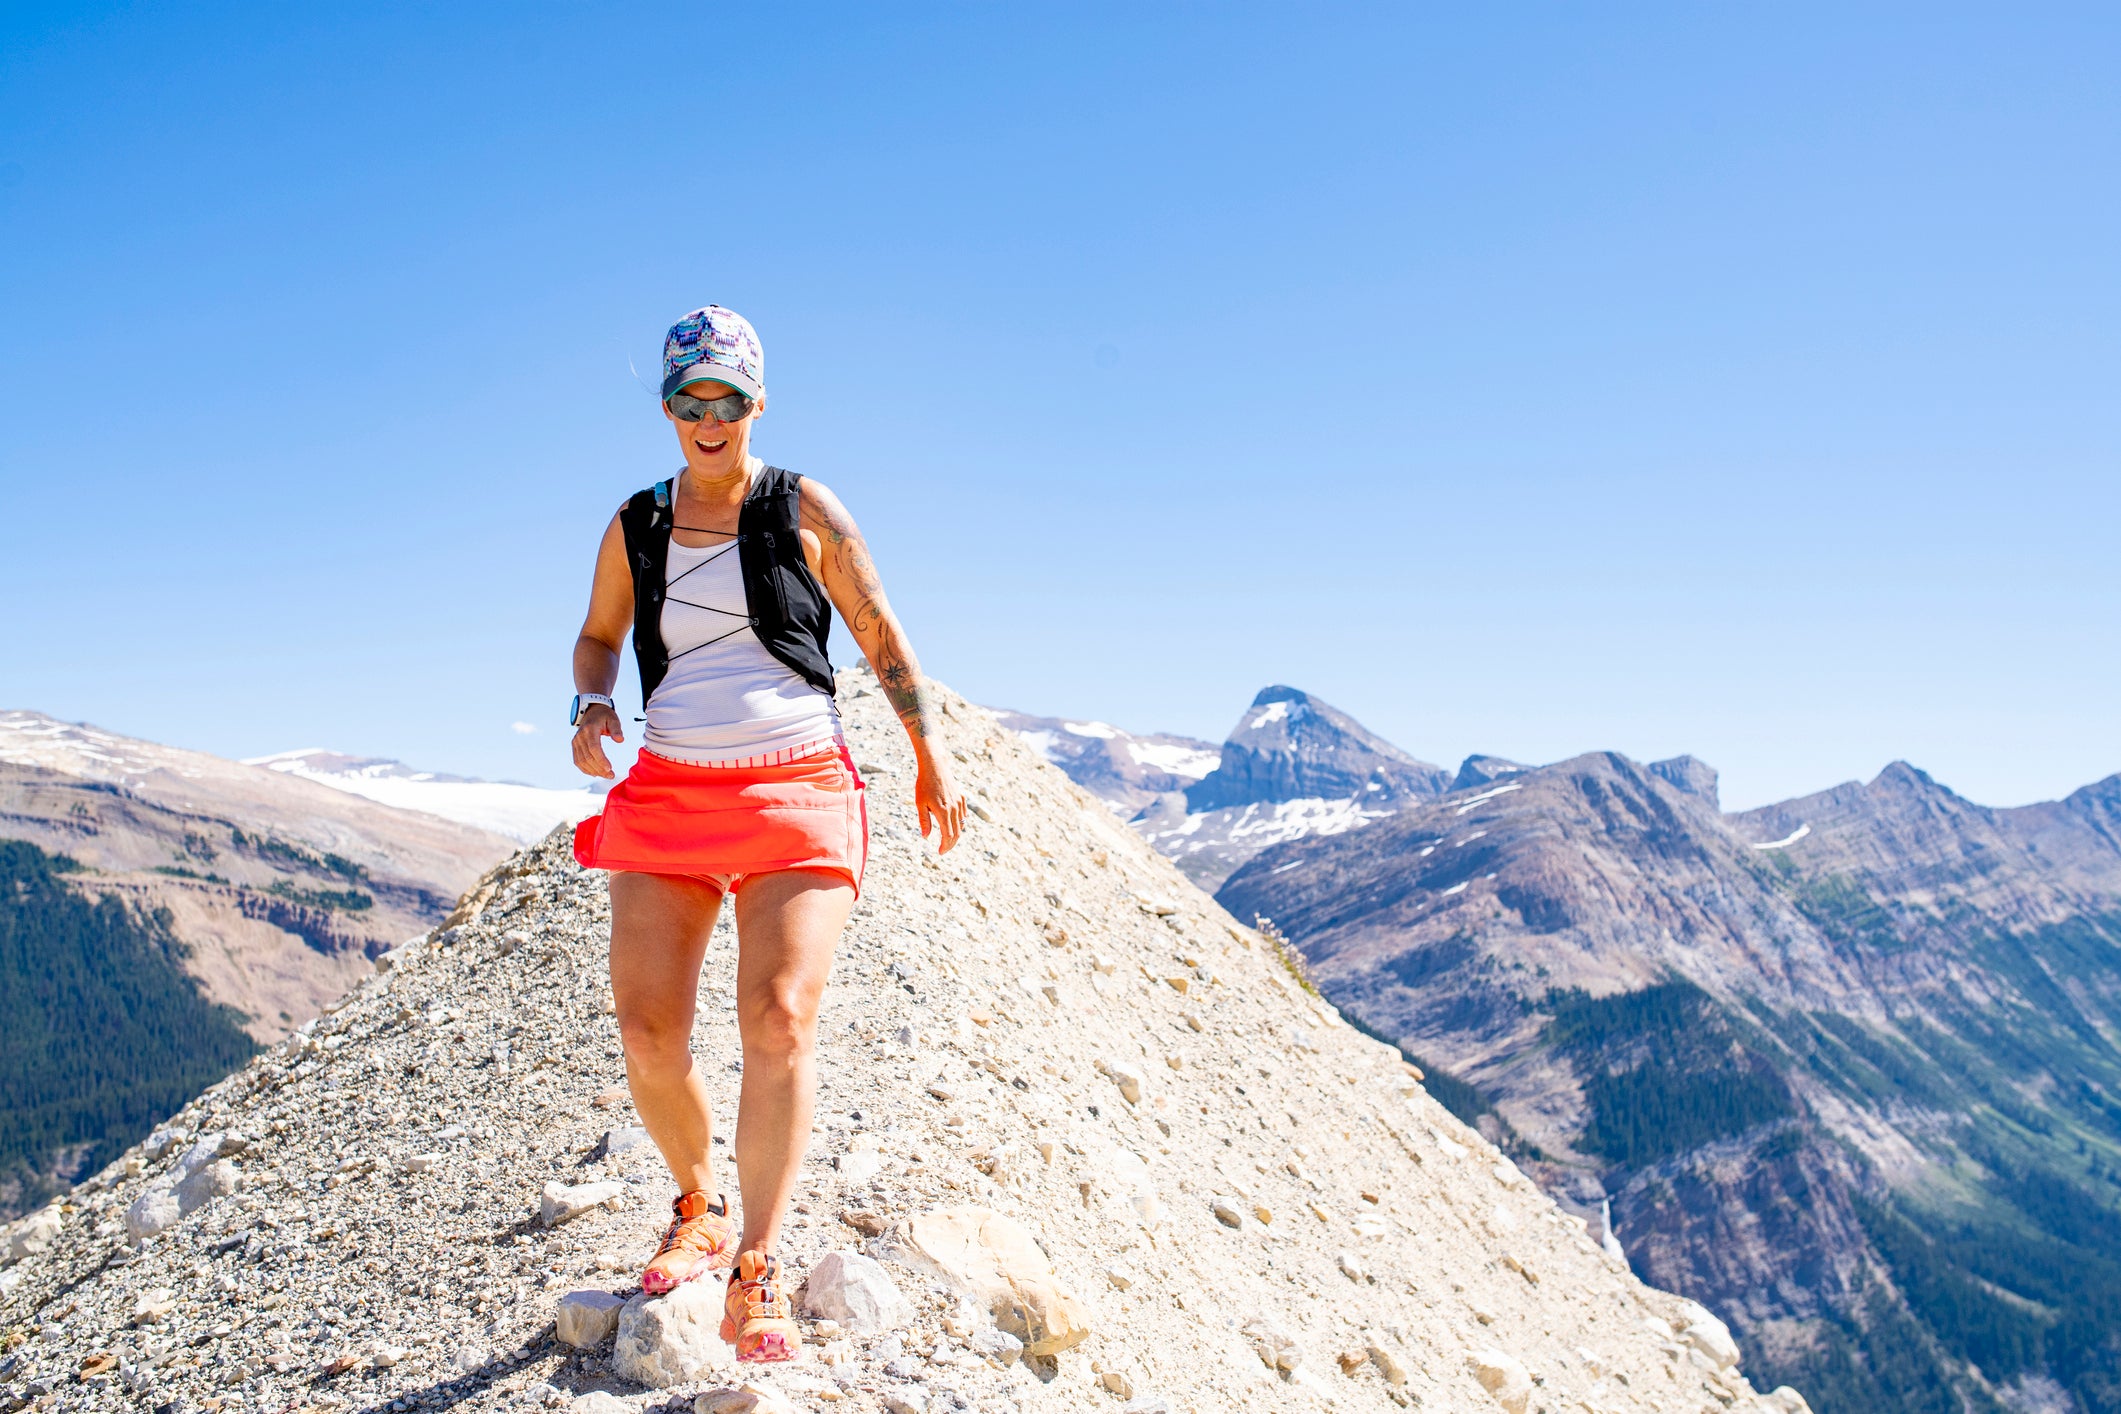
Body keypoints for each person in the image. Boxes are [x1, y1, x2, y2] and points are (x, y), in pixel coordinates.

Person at [567, 305, 965, 1362]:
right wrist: (593, 705)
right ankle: (695, 1205)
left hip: (797, 785)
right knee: (649, 1031)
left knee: (779, 1018)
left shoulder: (802, 504)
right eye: (690, 399)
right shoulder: (636, 524)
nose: (709, 416)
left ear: (756, 403)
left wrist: (929, 751)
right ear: (667, 407)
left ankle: (759, 1260)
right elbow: (600, 636)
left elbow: (877, 626)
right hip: (668, 790)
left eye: (728, 399)